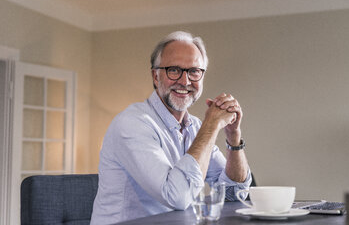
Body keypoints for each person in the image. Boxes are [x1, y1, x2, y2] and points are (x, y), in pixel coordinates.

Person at [90, 31, 252, 224]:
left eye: (194, 71)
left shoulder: (196, 128)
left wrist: (233, 137)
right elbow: (177, 197)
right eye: (174, 70)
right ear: (156, 76)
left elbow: (234, 194)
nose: (185, 81)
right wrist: (211, 125)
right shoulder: (132, 124)